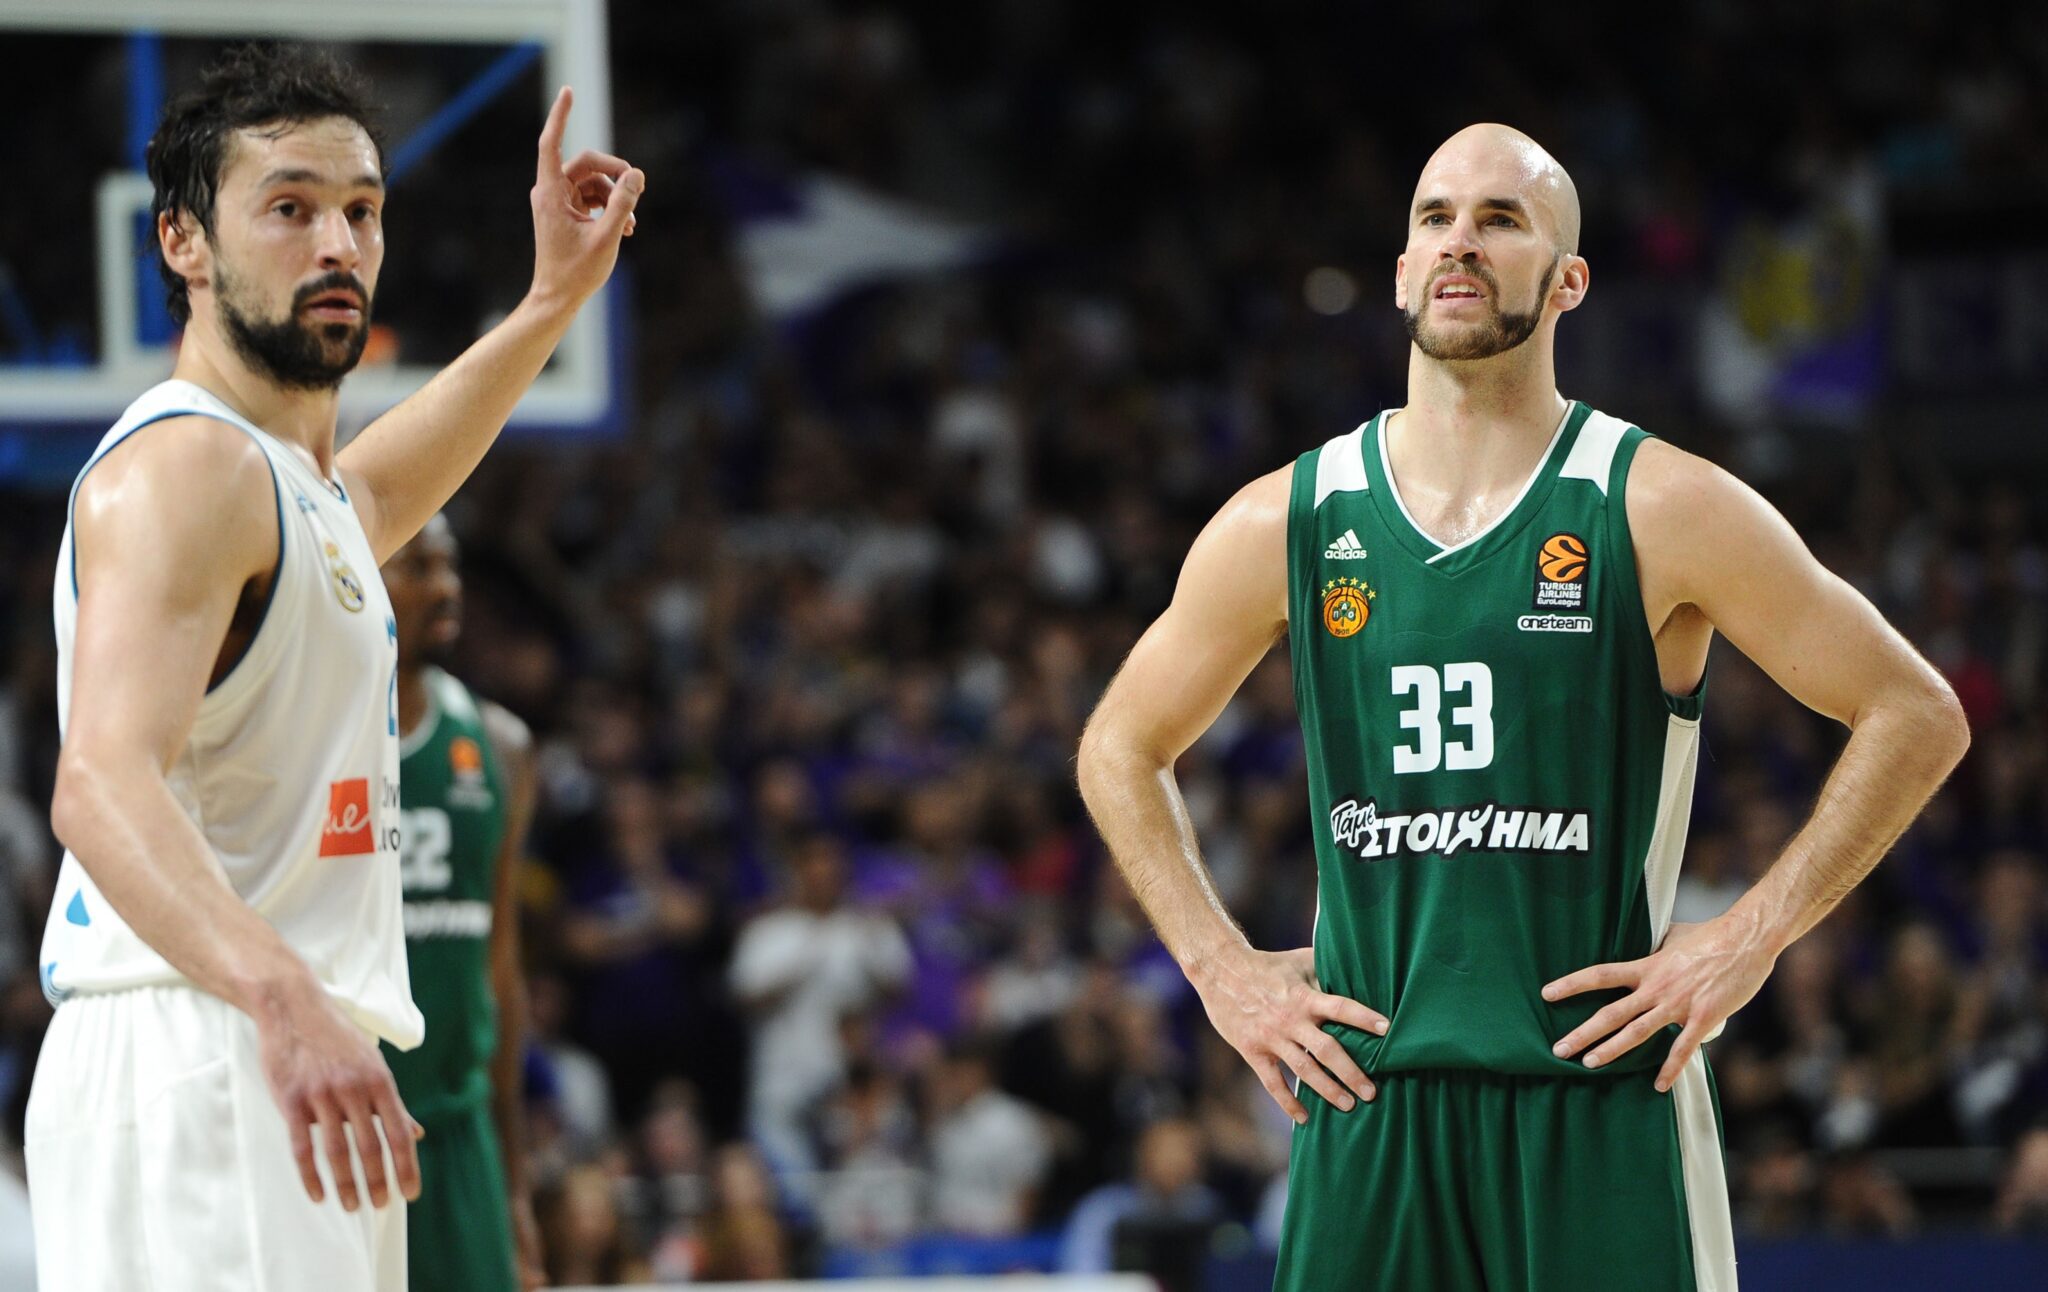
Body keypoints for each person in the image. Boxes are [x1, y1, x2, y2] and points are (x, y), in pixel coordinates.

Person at [1076, 123, 1969, 1292]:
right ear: (1401, 270)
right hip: (1370, 1102)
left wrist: (1750, 935)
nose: (1460, 241)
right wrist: (1215, 964)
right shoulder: (1286, 516)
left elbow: (1914, 710)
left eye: (1500, 219)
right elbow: (1118, 742)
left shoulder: (1657, 503)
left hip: (1597, 1101)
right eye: (1434, 217)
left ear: (1566, 281)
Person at [26, 43, 641, 1292]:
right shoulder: (186, 467)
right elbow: (96, 781)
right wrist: (283, 996)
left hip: (277, 1047)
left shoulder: (287, 488)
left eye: (361, 210)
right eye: (289, 208)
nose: (337, 244)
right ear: (184, 242)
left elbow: (376, 486)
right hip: (213, 1041)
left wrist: (549, 301)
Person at [381, 516, 543, 1290]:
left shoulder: (500, 745)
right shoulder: (304, 740)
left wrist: (514, 1187)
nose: (446, 587)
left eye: (449, 565)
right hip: (338, 1130)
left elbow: (501, 974)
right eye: (418, 566)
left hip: (457, 1130)